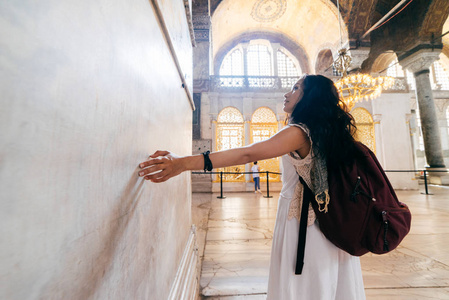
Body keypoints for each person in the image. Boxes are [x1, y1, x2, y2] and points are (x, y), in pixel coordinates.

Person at [138, 74, 366, 299]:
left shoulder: (299, 132)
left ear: (311, 98)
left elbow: (248, 153)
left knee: (305, 288)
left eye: (296, 88)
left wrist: (183, 163)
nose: (287, 93)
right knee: (328, 287)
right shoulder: (333, 133)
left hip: (307, 230)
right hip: (333, 226)